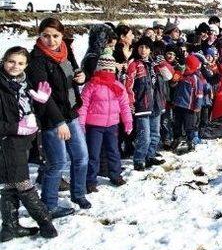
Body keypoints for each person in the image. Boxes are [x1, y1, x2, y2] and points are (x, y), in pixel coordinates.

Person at [27, 18, 90, 216]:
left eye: (55, 35)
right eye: (46, 35)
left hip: (71, 113)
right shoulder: (36, 59)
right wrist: (58, 122)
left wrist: (82, 77)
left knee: (81, 157)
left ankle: (78, 193)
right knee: (57, 162)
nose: (51, 40)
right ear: (40, 35)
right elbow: (43, 96)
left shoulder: (66, 50)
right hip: (52, 118)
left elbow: (74, 72)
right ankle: (49, 204)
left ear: (62, 35)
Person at [1, 47, 57, 240]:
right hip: (7, 141)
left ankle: (10, 227)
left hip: (24, 140)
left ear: (26, 65)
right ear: (3, 60)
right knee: (23, 183)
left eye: (20, 63)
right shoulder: (2, 85)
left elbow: (29, 112)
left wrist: (40, 102)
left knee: (8, 184)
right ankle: (45, 221)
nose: (15, 66)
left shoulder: (25, 84)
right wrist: (15, 128)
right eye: (11, 61)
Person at [78, 52, 133, 191]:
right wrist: (81, 124)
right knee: (93, 154)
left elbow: (124, 106)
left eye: (110, 69)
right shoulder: (91, 85)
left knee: (113, 151)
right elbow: (83, 105)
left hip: (112, 125)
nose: (107, 72)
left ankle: (115, 175)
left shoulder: (118, 85)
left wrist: (128, 122)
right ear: (98, 69)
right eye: (104, 69)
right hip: (94, 126)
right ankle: (90, 180)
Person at [125, 36, 164, 171]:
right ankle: (139, 159)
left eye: (147, 47)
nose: (143, 50)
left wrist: (163, 64)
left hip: (156, 104)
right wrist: (131, 103)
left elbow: (168, 77)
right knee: (144, 136)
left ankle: (150, 156)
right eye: (141, 47)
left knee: (155, 134)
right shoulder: (134, 65)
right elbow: (128, 86)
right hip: (142, 105)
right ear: (137, 48)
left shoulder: (155, 65)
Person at [172, 54, 205, 152]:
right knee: (177, 124)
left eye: (187, 64)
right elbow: (173, 84)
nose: (185, 66)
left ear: (191, 66)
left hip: (189, 107)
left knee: (189, 126)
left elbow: (199, 93)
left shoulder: (196, 78)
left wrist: (198, 105)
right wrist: (176, 76)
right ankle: (176, 140)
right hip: (178, 104)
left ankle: (191, 142)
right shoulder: (181, 74)